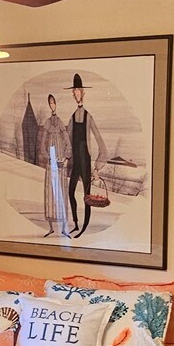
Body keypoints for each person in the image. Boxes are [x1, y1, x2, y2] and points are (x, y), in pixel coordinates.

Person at [66, 73, 107, 236]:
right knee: (70, 192)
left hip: (85, 158)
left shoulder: (88, 116)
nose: (75, 93)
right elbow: (66, 138)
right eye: (74, 90)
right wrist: (63, 156)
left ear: (83, 92)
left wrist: (97, 168)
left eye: (78, 90)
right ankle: (76, 223)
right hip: (75, 160)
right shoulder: (71, 117)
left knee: (87, 195)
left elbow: (100, 142)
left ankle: (84, 227)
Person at [38, 93, 68, 236]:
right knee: (50, 193)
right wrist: (47, 158)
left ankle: (63, 227)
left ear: (56, 104)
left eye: (53, 103)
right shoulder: (47, 123)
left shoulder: (61, 122)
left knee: (62, 191)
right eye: (50, 104)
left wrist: (67, 157)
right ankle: (51, 227)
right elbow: (42, 143)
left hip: (61, 160)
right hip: (51, 161)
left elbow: (67, 140)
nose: (52, 105)